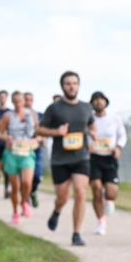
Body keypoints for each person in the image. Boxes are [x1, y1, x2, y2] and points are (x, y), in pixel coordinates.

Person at [37, 71, 96, 247]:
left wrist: (92, 134)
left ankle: (76, 233)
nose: (71, 86)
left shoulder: (86, 107)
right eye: (68, 83)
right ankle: (57, 211)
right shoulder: (54, 108)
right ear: (62, 86)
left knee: (80, 191)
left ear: (79, 85)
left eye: (74, 83)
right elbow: (39, 130)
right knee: (62, 197)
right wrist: (57, 132)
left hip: (81, 157)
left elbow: (91, 124)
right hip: (60, 159)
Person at [88, 91, 127, 236]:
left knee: (111, 192)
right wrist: (88, 146)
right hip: (94, 158)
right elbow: (84, 136)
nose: (98, 102)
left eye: (101, 99)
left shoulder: (114, 118)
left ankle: (109, 200)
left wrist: (118, 147)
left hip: (110, 157)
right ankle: (101, 222)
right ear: (92, 103)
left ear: (105, 101)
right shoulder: (88, 119)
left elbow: (122, 135)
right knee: (96, 188)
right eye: (95, 100)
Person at [0, 91, 37, 224]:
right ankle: (15, 212)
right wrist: (6, 138)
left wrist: (34, 142)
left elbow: (38, 133)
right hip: (12, 153)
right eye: (16, 101)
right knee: (15, 187)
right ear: (12, 102)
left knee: (27, 183)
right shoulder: (7, 116)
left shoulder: (31, 115)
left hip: (26, 152)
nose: (18, 103)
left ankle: (24, 202)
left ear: (24, 101)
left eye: (21, 101)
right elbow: (0, 133)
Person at [24, 92, 45, 208]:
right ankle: (25, 200)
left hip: (36, 148)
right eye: (26, 100)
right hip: (22, 149)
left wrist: (40, 138)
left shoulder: (39, 115)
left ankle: (33, 191)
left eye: (30, 100)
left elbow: (43, 131)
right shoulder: (17, 115)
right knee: (25, 178)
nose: (28, 102)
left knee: (37, 176)